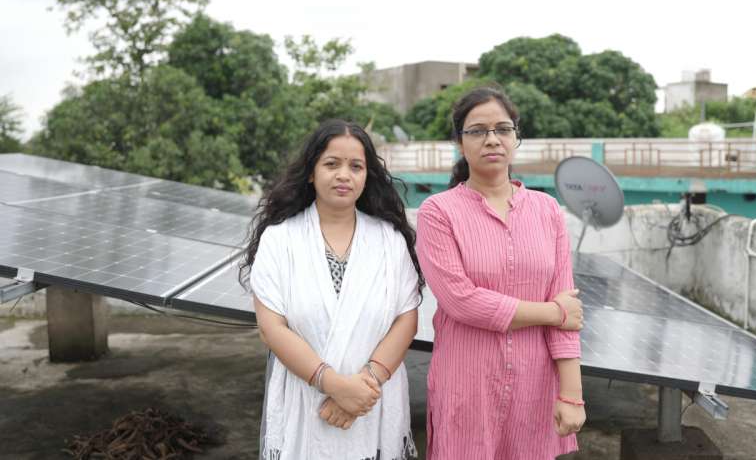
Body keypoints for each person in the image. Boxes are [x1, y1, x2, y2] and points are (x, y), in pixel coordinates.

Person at [415, 87, 586, 459]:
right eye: (477, 131)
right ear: (460, 142)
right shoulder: (438, 212)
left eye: (503, 129)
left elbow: (567, 310)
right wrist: (552, 312)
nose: (492, 139)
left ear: (515, 137)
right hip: (467, 386)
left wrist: (572, 394)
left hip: (534, 386)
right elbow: (461, 301)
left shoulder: (547, 210)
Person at [240, 119, 422, 460]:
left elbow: (406, 319)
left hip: (372, 402)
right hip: (306, 401)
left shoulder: (389, 240)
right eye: (332, 164)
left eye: (356, 166)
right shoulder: (280, 239)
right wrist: (335, 385)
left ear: (367, 176)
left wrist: (361, 389)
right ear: (311, 172)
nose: (344, 175)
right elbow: (271, 327)